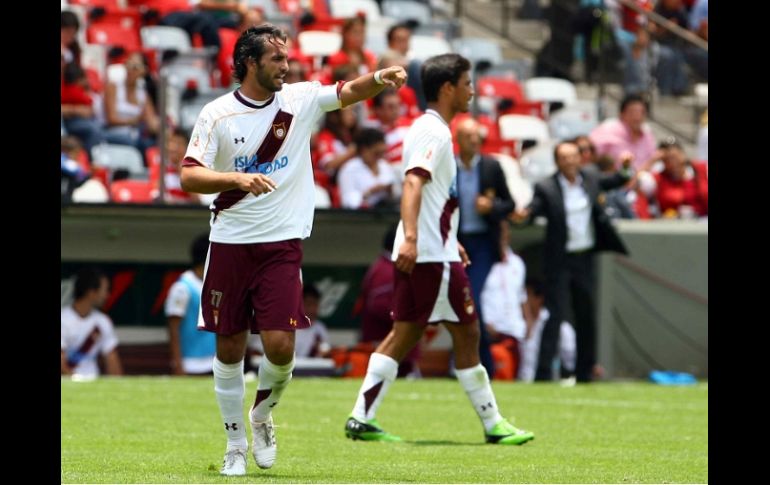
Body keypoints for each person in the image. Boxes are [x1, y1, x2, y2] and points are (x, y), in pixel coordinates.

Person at [179, 24, 407, 476]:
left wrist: (379, 78)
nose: (286, 66)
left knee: (281, 347)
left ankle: (262, 416)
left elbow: (345, 92)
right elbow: (189, 176)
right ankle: (234, 445)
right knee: (229, 349)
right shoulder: (217, 114)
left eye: (287, 59)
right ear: (250, 63)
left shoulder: (298, 100)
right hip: (229, 242)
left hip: (282, 243)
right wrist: (237, 179)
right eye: (277, 60)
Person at [343, 53, 534, 445]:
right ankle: (493, 424)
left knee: (407, 334)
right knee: (467, 333)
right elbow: (414, 183)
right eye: (467, 83)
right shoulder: (435, 133)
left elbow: (431, 196)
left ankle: (361, 417)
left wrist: (451, 239)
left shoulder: (425, 129)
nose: (472, 91)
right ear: (448, 88)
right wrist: (414, 237)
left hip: (436, 249)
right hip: (430, 255)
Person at [513, 141, 630, 383]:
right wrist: (523, 215)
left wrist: (627, 168)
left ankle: (584, 371)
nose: (570, 161)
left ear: (580, 158)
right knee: (555, 316)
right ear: (557, 162)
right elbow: (535, 208)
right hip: (559, 260)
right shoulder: (546, 187)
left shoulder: (590, 179)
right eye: (564, 158)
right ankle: (543, 374)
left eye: (574, 156)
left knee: (585, 314)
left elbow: (617, 180)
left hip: (584, 257)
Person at [455, 117, 517, 379]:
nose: (475, 141)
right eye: (469, 137)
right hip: (455, 242)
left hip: (482, 244)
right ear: (458, 140)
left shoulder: (492, 167)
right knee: (459, 303)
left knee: (472, 299)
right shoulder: (449, 166)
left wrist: (491, 207)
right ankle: (463, 362)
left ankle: (484, 364)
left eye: (478, 137)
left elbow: (509, 204)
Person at [165, 234, 216, 375]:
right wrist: (178, 366)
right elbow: (173, 329)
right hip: (191, 365)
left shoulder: (214, 285)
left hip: (214, 364)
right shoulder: (182, 288)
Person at [61, 268, 123, 378]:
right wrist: (77, 380)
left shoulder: (103, 321)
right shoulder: (63, 319)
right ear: (91, 292)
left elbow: (112, 359)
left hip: (94, 386)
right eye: (105, 290)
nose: (107, 295)